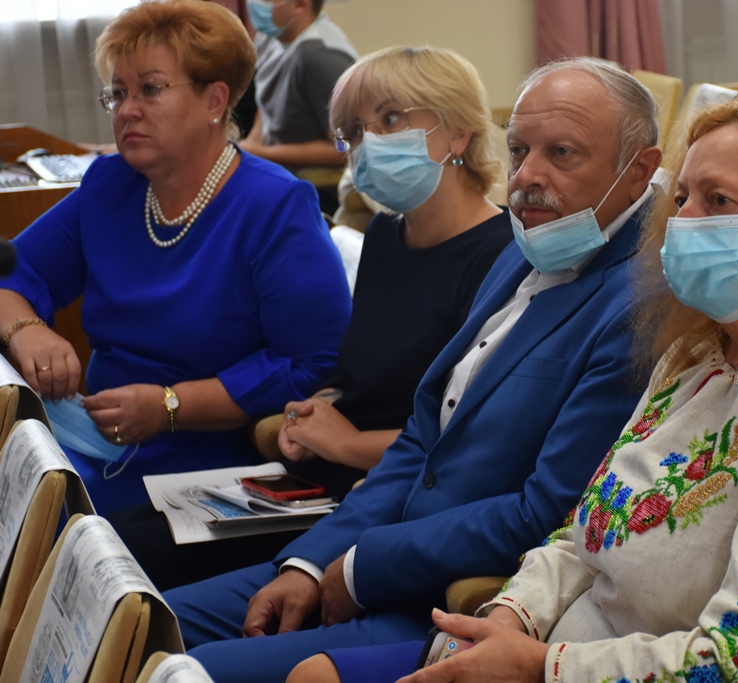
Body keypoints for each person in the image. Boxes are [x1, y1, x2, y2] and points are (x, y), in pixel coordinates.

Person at [288, 92, 738, 683]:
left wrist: (538, 665)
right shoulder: (697, 358)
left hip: (574, 668)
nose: (684, 221)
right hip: (551, 647)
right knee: (313, 674)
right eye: (681, 198)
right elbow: (582, 534)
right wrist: (512, 615)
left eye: (718, 201)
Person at [163, 57, 664, 683]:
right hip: (369, 544)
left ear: (638, 169)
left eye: (562, 153)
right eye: (519, 150)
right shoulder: (530, 242)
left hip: (447, 599)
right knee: (139, 621)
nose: (527, 178)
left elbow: (548, 511)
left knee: (188, 673)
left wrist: (362, 566)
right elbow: (425, 436)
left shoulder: (641, 301)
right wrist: (312, 564)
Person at [106, 45, 514, 590]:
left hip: (389, 495)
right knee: (108, 536)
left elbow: (467, 438)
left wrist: (343, 443)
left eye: (391, 119)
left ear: (458, 132)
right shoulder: (386, 234)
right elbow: (364, 375)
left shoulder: (503, 256)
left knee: (135, 561)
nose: (368, 143)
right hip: (321, 476)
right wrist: (316, 408)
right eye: (355, 131)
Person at [0, 0, 350, 515]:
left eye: (151, 89)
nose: (127, 110)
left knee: (41, 518)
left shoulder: (274, 206)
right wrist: (26, 329)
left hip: (213, 464)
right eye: (118, 93)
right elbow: (12, 271)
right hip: (97, 439)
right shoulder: (110, 184)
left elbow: (312, 362)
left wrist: (172, 406)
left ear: (215, 100)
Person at [239, 0, 356, 170]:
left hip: (311, 179)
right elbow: (266, 105)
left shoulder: (321, 59)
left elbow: (344, 147)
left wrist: (262, 153)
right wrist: (249, 147)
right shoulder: (271, 36)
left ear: (300, 5)